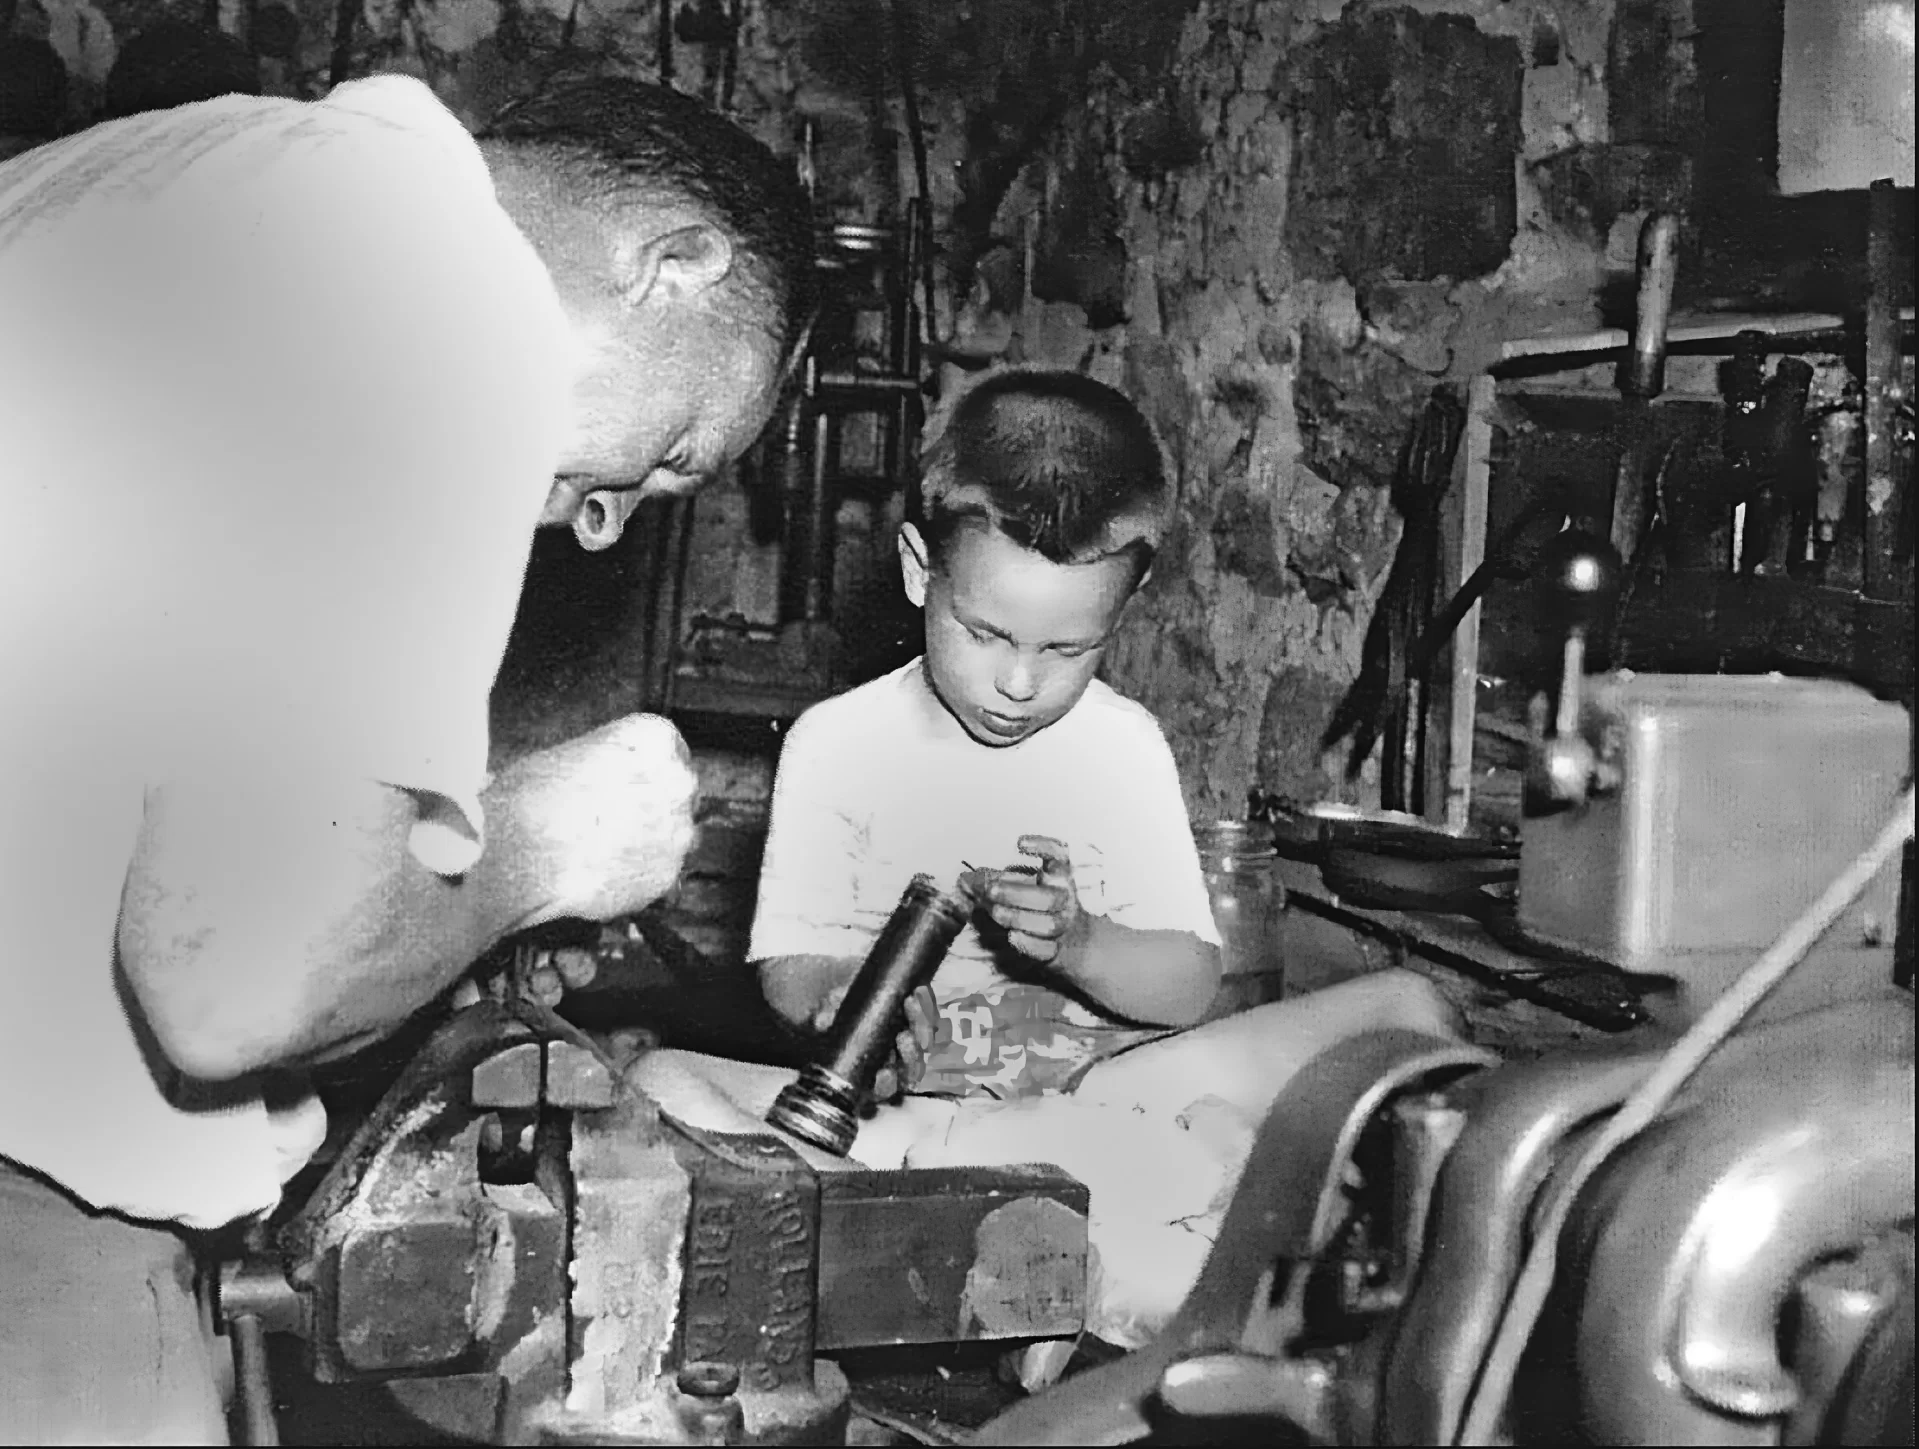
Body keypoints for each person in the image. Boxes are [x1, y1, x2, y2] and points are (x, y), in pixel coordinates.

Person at [0, 73, 814, 1444]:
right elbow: (237, 978)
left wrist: (433, 906)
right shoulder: (437, 301)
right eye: (675, 455)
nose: (608, 528)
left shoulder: (148, 177)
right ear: (674, 264)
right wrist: (543, 840)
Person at [744, 367, 1459, 1356]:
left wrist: (1080, 943)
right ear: (919, 570)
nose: (1019, 682)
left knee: (1407, 1013)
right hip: (916, 1117)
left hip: (1106, 1092)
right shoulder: (835, 741)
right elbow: (789, 963)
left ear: (1116, 619)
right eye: (985, 631)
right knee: (665, 1087)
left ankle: (1060, 1244)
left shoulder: (1119, 747)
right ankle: (1152, 1261)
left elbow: (1182, 989)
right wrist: (837, 1005)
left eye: (1067, 648)